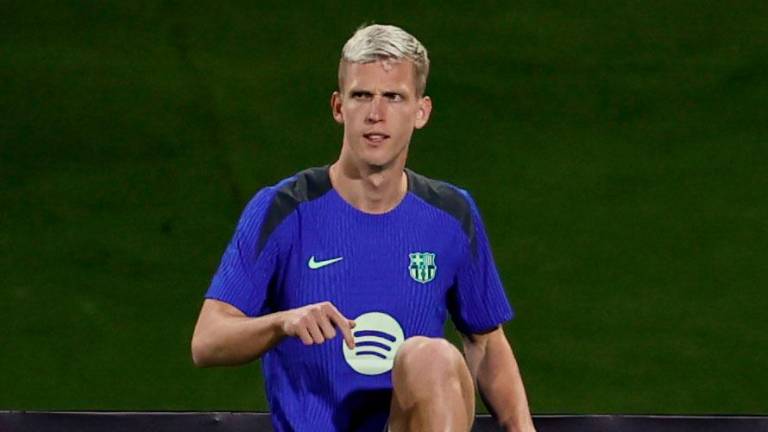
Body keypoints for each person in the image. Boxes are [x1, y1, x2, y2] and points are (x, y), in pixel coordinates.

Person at [191, 23, 536, 432]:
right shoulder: (284, 210)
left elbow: (486, 341)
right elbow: (207, 340)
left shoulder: (451, 215)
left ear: (421, 111)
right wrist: (282, 322)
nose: (376, 114)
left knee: (433, 359)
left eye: (393, 97)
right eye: (361, 95)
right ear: (339, 107)